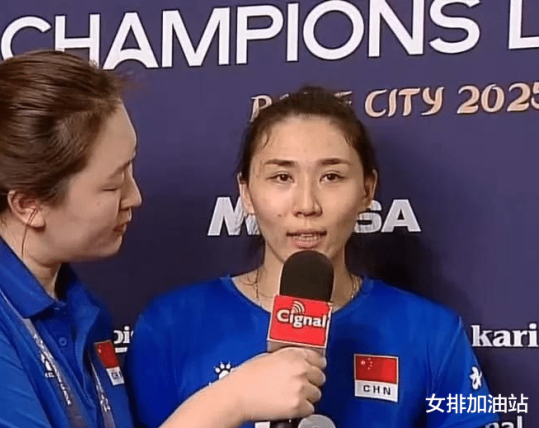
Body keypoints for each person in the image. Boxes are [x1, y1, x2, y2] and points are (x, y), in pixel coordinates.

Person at [0, 49, 329, 428]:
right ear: (29, 204)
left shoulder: (77, 310)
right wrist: (227, 403)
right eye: (113, 185)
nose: (135, 197)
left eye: (131, 169)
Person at [123, 86, 500, 428]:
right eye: (282, 178)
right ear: (247, 193)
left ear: (367, 190)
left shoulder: (432, 333)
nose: (306, 205)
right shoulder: (170, 326)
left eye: (331, 177)